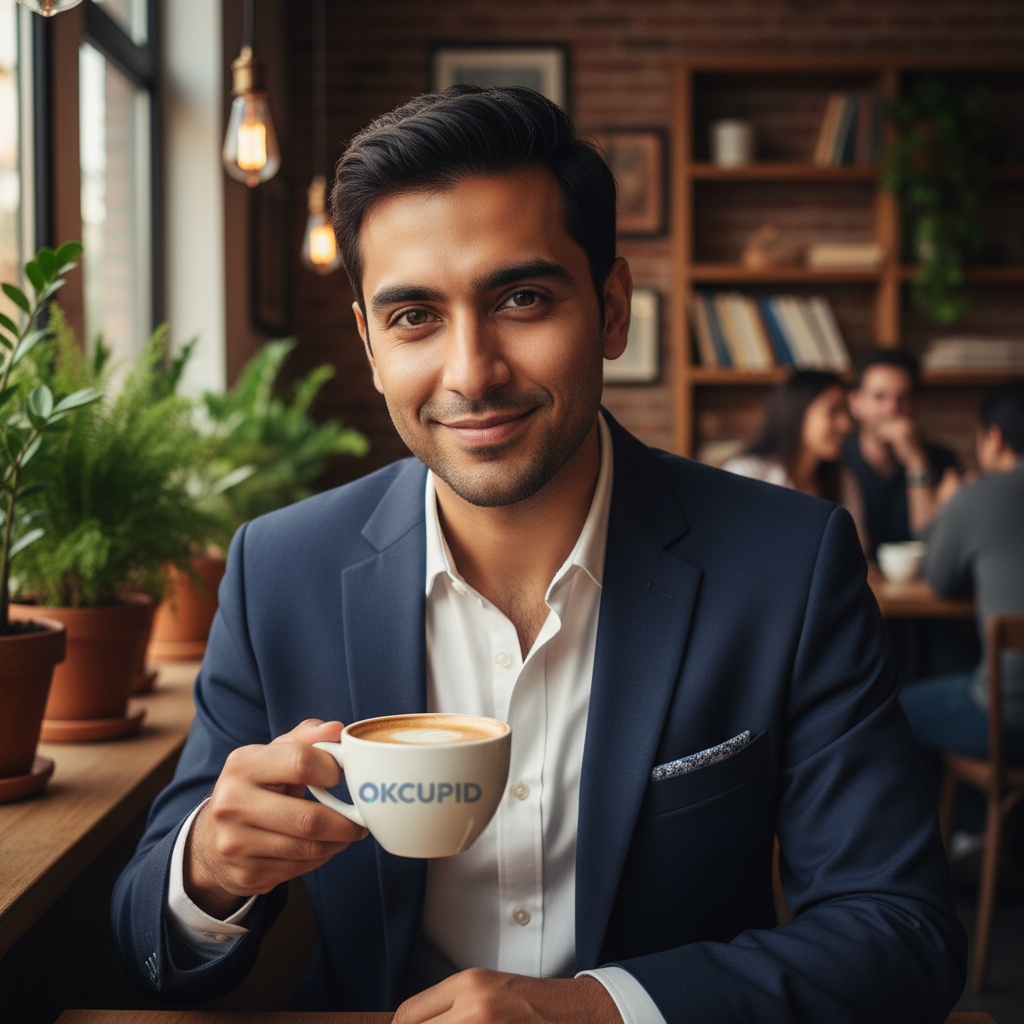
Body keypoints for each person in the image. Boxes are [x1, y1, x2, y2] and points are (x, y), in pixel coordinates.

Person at [112, 86, 965, 1023]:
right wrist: (207, 872)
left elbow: (901, 932)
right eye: (414, 318)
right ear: (367, 342)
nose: (471, 372)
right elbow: (155, 950)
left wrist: (599, 1011)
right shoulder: (282, 570)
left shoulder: (788, 565)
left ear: (610, 309)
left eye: (521, 298)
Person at [900, 380, 1024, 766]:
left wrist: (952, 504)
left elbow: (940, 579)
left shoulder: (978, 496)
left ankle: (963, 823)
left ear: (994, 438)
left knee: (881, 714)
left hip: (1010, 716)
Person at [842, 347, 961, 560]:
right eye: (879, 397)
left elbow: (930, 540)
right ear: (855, 403)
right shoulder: (837, 459)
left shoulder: (942, 460)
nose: (892, 409)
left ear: (916, 405)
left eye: (903, 398)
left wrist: (916, 462)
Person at [723, 369, 866, 546]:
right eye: (833, 411)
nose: (846, 425)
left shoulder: (844, 482)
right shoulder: (747, 474)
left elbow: (856, 555)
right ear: (797, 412)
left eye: (846, 413)